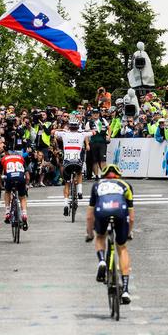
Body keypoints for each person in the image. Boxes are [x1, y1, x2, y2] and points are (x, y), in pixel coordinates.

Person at [85, 164, 134, 304]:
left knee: (100, 237)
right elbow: (131, 217)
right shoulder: (125, 185)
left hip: (102, 211)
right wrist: (128, 233)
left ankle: (101, 260)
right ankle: (125, 289)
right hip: (120, 211)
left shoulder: (97, 185)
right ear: (118, 175)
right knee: (122, 247)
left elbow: (89, 216)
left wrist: (89, 233)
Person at [54, 116, 93, 216]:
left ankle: (66, 204)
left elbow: (52, 132)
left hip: (67, 162)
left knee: (67, 183)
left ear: (69, 126)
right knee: (79, 173)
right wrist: (84, 130)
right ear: (77, 126)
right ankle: (79, 191)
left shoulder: (64, 133)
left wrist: (62, 129)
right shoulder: (82, 134)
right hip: (77, 161)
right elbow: (94, 132)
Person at [1, 150, 30, 230]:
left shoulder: (3, 159)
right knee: (22, 197)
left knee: (7, 192)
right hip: (20, 178)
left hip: (10, 178)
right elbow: (27, 176)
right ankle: (24, 214)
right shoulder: (21, 158)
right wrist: (27, 185)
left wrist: (0, 186)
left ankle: (7, 212)